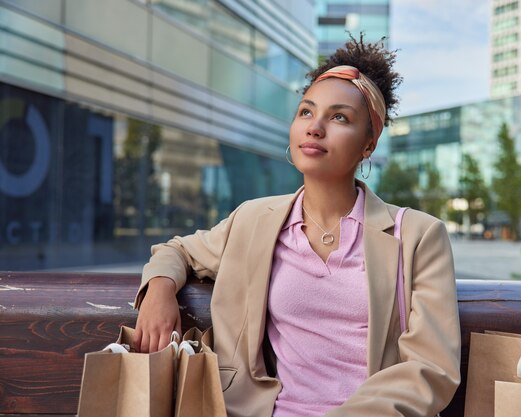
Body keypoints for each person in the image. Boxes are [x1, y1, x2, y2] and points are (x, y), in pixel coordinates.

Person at [133, 35, 461, 417]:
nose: (315, 127)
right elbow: (178, 250)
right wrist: (158, 291)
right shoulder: (254, 221)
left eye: (339, 117)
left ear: (368, 145)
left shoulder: (419, 236)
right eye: (306, 112)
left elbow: (432, 368)